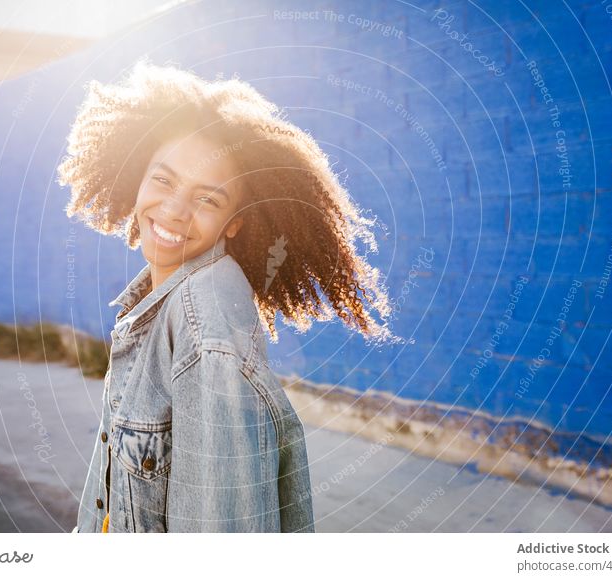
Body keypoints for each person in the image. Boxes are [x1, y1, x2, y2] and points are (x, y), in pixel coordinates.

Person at [57, 60, 399, 533]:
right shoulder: (156, 304)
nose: (175, 210)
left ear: (234, 223)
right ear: (138, 176)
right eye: (163, 179)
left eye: (208, 199)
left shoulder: (206, 334)